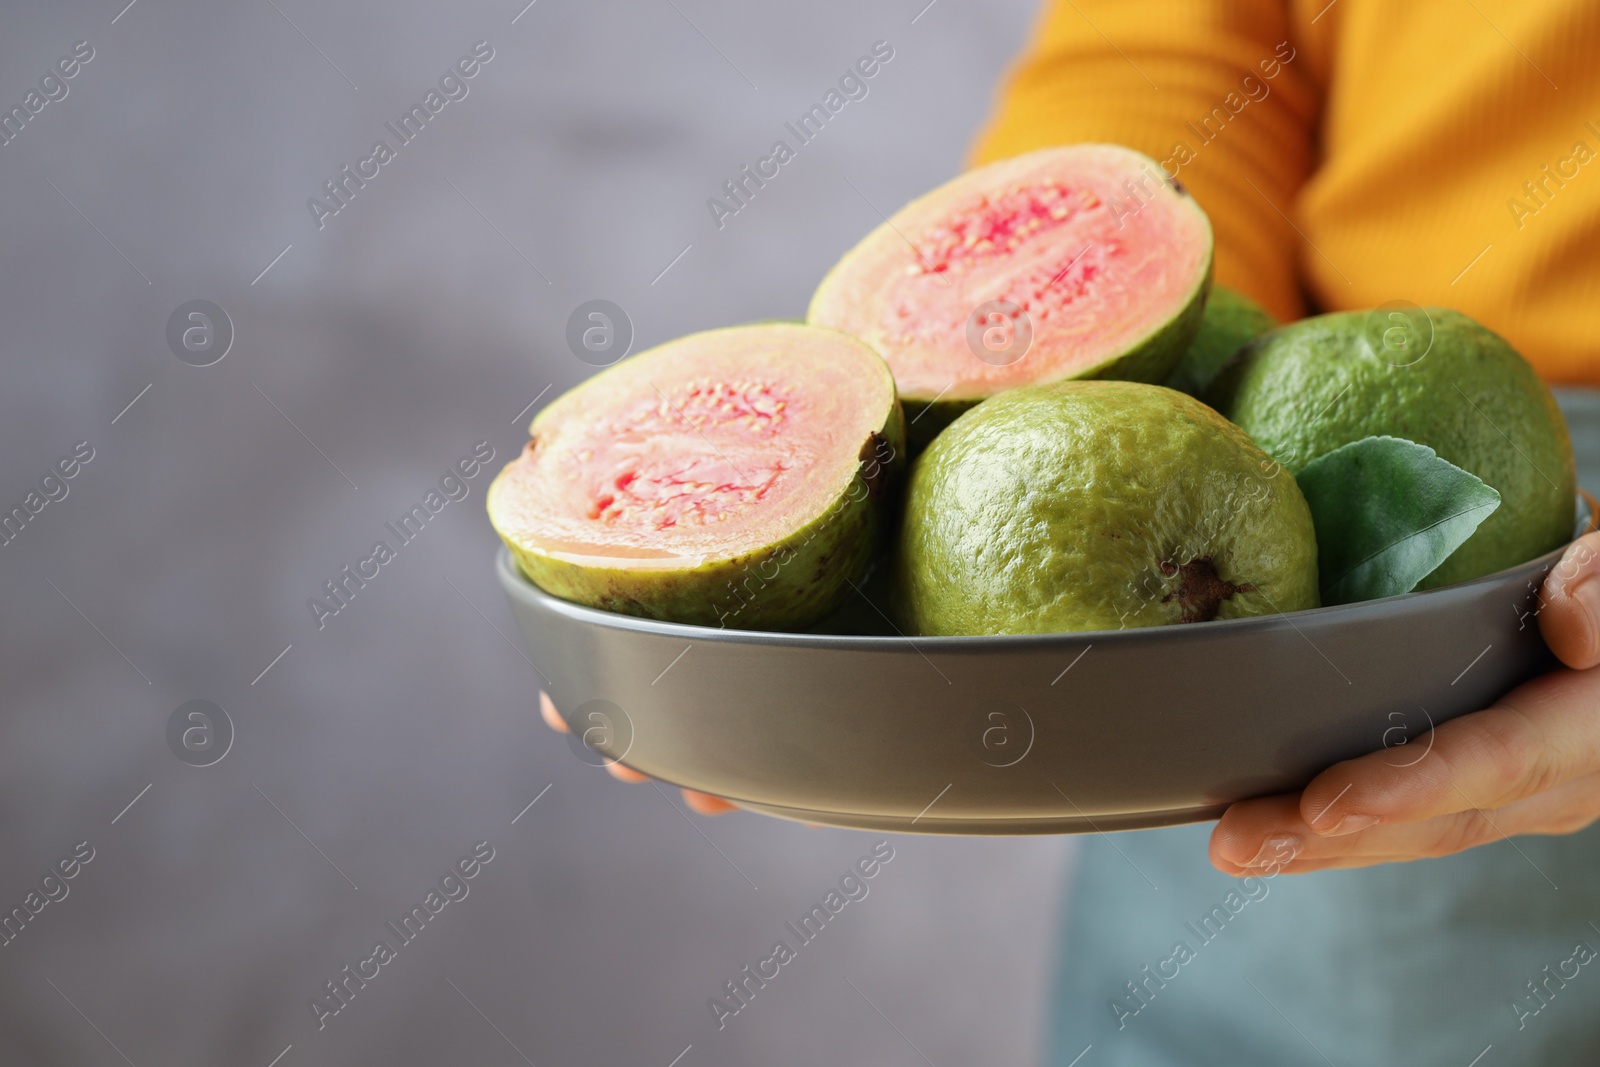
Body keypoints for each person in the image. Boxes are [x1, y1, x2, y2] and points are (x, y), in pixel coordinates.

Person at [547, 1, 1600, 1059]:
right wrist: (1110, 329)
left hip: (1465, 487)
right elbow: (1188, 39)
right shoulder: (1180, 483)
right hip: (1242, 471)